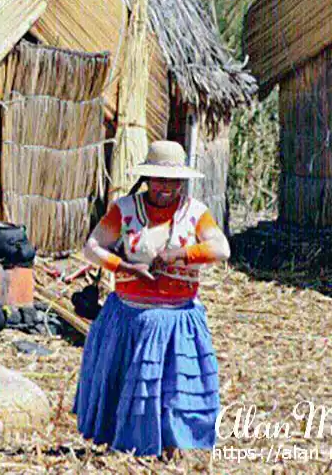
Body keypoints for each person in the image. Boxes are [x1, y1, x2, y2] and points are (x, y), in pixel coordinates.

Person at [73, 140, 230, 458]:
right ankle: (127, 447)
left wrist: (179, 254)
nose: (165, 188)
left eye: (172, 181)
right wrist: (122, 265)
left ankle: (171, 449)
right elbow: (92, 247)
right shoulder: (126, 209)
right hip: (128, 317)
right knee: (129, 387)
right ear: (147, 179)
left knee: (172, 391)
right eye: (159, 180)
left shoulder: (195, 213)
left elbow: (221, 249)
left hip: (175, 318)